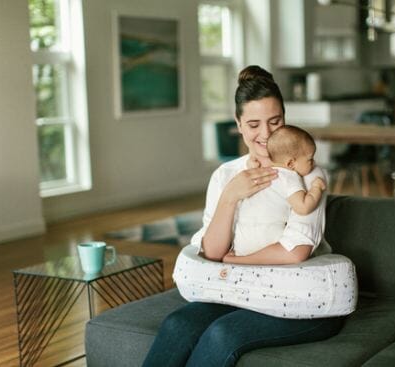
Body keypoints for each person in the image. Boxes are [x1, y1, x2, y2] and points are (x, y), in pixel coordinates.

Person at [141, 65, 344, 367]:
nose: (265, 135)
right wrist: (230, 197)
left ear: (285, 119)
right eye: (253, 125)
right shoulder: (226, 175)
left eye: (275, 122)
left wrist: (237, 261)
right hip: (240, 291)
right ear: (237, 124)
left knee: (222, 334)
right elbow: (211, 253)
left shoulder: (307, 173)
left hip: (304, 300)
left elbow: (295, 252)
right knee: (177, 325)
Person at [231, 125, 327, 257]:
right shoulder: (289, 177)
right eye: (310, 159)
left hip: (241, 244)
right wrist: (316, 188)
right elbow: (303, 207)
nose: (314, 162)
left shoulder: (263, 171)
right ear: (290, 164)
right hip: (265, 243)